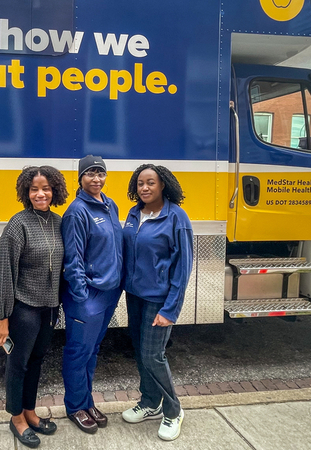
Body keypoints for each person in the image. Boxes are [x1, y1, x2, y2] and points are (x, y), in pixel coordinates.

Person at [0, 165, 69, 448]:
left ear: (54, 191)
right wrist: (2, 317)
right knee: (18, 363)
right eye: (34, 189)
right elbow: (4, 273)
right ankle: (16, 418)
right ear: (27, 191)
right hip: (24, 308)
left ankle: (30, 412)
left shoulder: (59, 222)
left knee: (36, 362)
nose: (40, 194)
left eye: (46, 188)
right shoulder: (18, 224)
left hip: (49, 308)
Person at [120, 164, 193, 441]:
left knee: (153, 355)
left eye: (151, 182)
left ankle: (173, 410)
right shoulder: (134, 213)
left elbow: (183, 268)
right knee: (140, 352)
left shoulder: (176, 217)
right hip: (135, 295)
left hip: (159, 299)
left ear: (163, 185)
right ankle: (150, 403)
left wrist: (170, 310)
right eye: (140, 183)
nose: (145, 188)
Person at [60, 155, 123, 434]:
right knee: (78, 352)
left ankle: (87, 401)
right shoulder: (77, 211)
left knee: (93, 350)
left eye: (100, 173)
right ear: (80, 178)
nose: (96, 178)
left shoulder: (110, 205)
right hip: (86, 296)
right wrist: (82, 296)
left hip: (109, 294)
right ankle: (75, 406)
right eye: (90, 174)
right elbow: (73, 260)